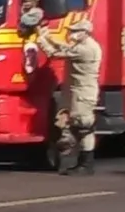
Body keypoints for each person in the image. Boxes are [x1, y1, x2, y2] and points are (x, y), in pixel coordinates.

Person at [41, 18, 104, 175]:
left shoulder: (86, 49)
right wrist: (49, 37)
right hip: (76, 90)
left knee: (84, 127)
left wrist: (42, 40)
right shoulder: (82, 45)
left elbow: (55, 53)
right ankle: (79, 162)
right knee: (75, 126)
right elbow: (65, 47)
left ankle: (86, 164)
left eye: (75, 31)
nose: (71, 34)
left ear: (85, 32)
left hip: (83, 92)